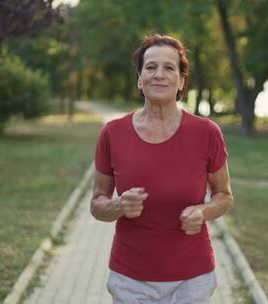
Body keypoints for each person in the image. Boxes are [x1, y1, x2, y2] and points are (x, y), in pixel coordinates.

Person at [91, 34, 234, 304]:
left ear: (181, 81)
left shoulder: (207, 133)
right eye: (150, 67)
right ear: (139, 79)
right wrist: (119, 205)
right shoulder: (112, 133)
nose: (159, 75)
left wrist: (203, 212)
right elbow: (97, 203)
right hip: (130, 279)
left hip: (192, 279)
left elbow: (224, 196)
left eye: (169, 68)